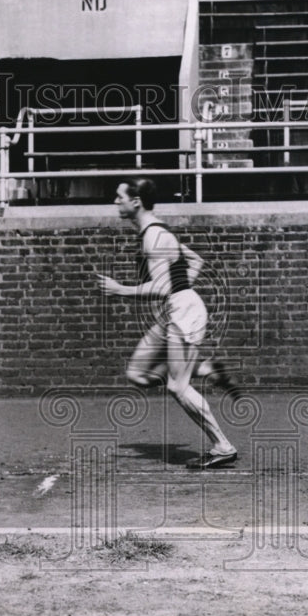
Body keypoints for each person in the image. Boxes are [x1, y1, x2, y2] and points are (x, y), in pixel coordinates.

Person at [96, 178, 239, 469]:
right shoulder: (156, 232)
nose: (115, 201)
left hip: (183, 311)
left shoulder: (154, 236)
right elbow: (195, 261)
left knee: (177, 386)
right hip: (174, 309)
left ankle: (223, 446)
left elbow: (161, 287)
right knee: (137, 373)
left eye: (119, 196)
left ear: (135, 201)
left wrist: (121, 289)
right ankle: (203, 368)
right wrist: (181, 287)